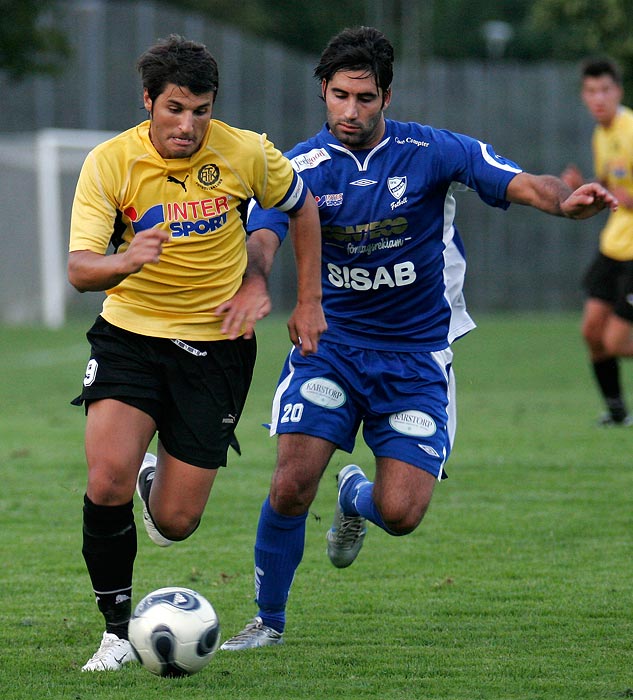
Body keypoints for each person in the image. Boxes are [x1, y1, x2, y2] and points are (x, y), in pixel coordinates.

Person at [219, 26, 618, 651]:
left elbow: (527, 182)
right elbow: (264, 234)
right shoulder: (296, 167)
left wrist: (568, 203)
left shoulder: (433, 151)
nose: (351, 111)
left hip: (415, 358)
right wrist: (257, 281)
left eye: (366, 98)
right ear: (322, 91)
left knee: (402, 513)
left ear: (387, 96)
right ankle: (267, 621)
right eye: (341, 96)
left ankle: (356, 494)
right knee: (292, 482)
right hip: (333, 348)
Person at [67, 34, 325, 672]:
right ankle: (114, 632)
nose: (188, 125)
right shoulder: (110, 162)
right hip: (129, 335)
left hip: (216, 348)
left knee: (178, 523)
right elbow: (79, 269)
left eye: (201, 110)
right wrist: (125, 259)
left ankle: (158, 481)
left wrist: (307, 299)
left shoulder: (246, 152)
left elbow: (302, 207)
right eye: (175, 109)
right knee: (106, 481)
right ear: (148, 100)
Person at [561, 57, 633, 426]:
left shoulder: (630, 129)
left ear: (618, 91)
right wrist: (583, 190)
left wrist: (621, 193)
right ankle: (618, 411)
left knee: (619, 342)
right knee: (592, 331)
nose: (598, 98)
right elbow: (611, 191)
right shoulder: (601, 135)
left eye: (605, 90)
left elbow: (625, 193)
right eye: (591, 91)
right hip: (613, 246)